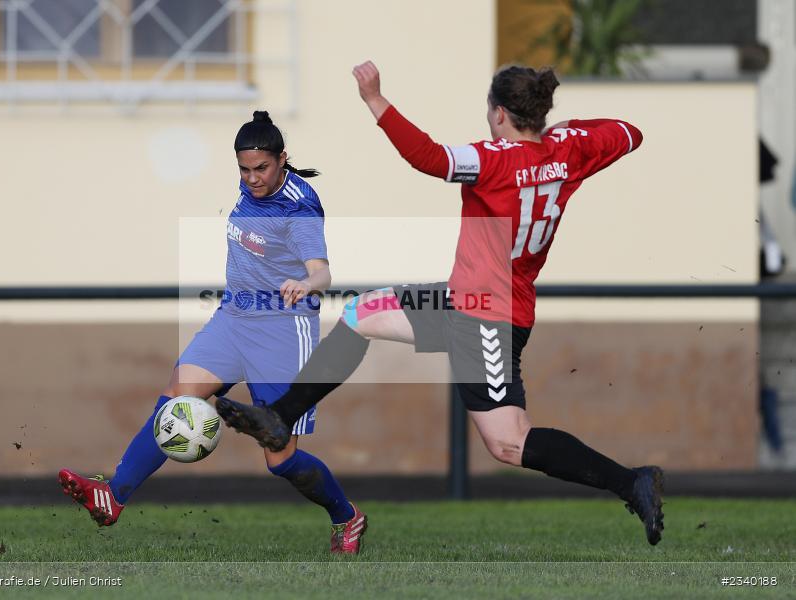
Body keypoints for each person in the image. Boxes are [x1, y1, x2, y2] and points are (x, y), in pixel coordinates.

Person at [218, 62, 665, 545]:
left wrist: (374, 98)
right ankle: (280, 417)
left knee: (509, 442)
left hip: (489, 317)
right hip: (463, 300)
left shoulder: (493, 159)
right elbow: (629, 132)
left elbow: (428, 156)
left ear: (497, 114)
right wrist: (557, 140)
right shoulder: (571, 149)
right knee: (359, 314)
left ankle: (631, 481)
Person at [58, 111, 368, 554]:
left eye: (261, 168)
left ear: (283, 159)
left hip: (283, 331)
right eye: (243, 169)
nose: (252, 178)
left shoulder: (298, 209)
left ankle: (347, 517)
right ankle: (114, 496)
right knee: (177, 394)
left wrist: (305, 283)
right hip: (233, 319)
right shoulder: (253, 184)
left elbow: (322, 273)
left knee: (280, 460)